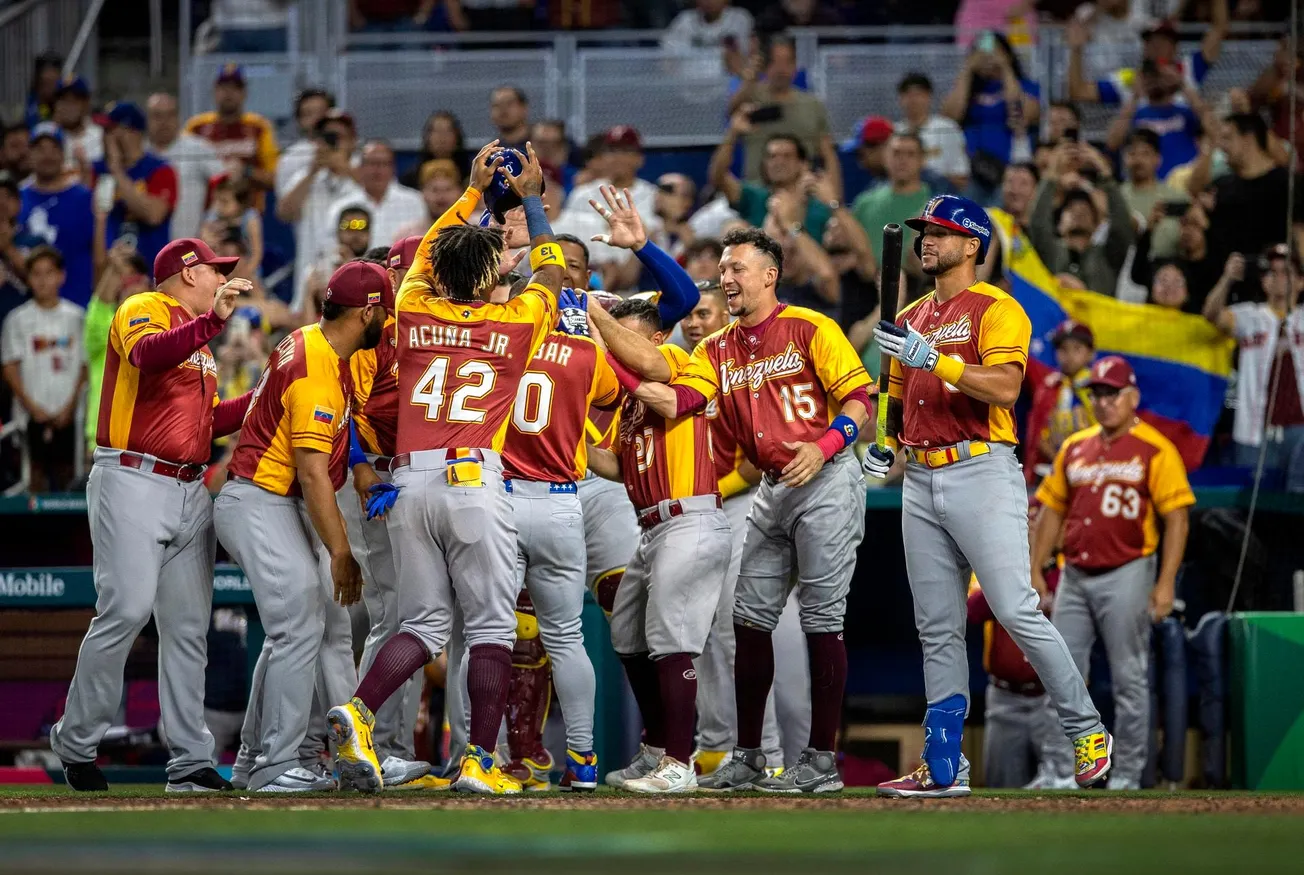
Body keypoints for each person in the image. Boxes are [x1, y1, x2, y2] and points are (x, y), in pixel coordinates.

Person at [594, 222, 872, 793]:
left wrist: (823, 448)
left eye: (736, 269)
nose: (726, 278)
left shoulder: (811, 325)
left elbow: (860, 401)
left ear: (770, 276)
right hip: (772, 487)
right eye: (723, 269)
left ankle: (821, 758)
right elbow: (674, 397)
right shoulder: (713, 348)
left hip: (825, 474)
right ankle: (748, 753)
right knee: (747, 621)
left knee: (822, 618)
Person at [325, 142, 564, 796]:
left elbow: (429, 252)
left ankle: (359, 709)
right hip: (472, 480)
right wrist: (533, 200)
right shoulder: (514, 321)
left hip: (409, 481)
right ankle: (479, 760)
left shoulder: (415, 309)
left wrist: (475, 192)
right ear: (487, 276)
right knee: (488, 627)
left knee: (421, 626)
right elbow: (551, 272)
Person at [863, 194, 1111, 797]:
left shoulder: (998, 307)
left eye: (941, 232)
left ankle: (1087, 728)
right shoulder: (913, 315)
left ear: (972, 244)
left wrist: (937, 360)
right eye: (923, 231)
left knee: (1015, 606)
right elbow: (893, 406)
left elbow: (1004, 388)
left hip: (982, 467)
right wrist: (883, 445)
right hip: (919, 477)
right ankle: (944, 763)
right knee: (938, 627)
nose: (927, 240)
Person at [48, 238, 253, 792]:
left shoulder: (202, 339)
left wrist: (262, 399)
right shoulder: (142, 307)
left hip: (189, 487)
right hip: (133, 476)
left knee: (188, 630)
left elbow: (208, 423)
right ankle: (75, 742)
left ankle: (189, 761)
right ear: (188, 272)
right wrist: (210, 322)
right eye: (215, 270)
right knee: (126, 610)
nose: (221, 278)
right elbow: (148, 355)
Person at [214, 260, 384, 792]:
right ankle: (273, 763)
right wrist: (340, 552)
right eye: (386, 311)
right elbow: (312, 475)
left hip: (266, 497)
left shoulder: (309, 338)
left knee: (293, 628)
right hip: (260, 497)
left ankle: (251, 759)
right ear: (368, 311)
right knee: (298, 627)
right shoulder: (318, 370)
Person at [578, 296, 730, 794]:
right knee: (626, 634)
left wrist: (600, 328)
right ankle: (659, 746)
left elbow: (671, 403)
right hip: (652, 527)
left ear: (656, 341)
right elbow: (619, 466)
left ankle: (680, 762)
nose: (617, 346)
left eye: (627, 338)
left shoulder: (684, 363)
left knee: (671, 639)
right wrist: (568, 438)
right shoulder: (631, 400)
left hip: (690, 517)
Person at [1032, 355, 1194, 790]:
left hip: (1128, 569)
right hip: (1075, 573)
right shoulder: (1075, 446)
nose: (1103, 402)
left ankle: (1127, 775)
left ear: (1133, 396)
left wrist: (1165, 583)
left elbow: (1177, 518)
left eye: (1111, 393)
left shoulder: (1155, 448)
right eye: (1097, 394)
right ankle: (1057, 770)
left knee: (1129, 677)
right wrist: (1034, 569)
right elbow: (1050, 512)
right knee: (1060, 672)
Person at [491, 252, 621, 792]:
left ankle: (486, 756)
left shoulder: (497, 337)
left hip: (500, 498)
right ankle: (585, 760)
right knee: (567, 638)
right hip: (562, 499)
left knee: (491, 635)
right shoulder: (586, 352)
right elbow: (612, 403)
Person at [676, 281, 812, 778]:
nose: (694, 322)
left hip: (740, 507)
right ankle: (714, 746)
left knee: (742, 631)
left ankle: (769, 755)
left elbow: (762, 458)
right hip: (697, 511)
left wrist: (717, 487)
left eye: (705, 313)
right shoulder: (684, 368)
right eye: (689, 314)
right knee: (701, 633)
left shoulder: (740, 368)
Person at [1204, 246, 1304, 488]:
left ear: (1301, 282)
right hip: (1254, 429)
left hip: (1301, 431)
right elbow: (1211, 314)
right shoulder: (1250, 315)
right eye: (1272, 272)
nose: (1278, 277)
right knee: (1255, 504)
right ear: (1263, 282)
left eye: (1286, 272)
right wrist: (1227, 278)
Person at [1192, 113, 1304, 303]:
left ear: (1249, 138)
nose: (1222, 146)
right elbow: (1193, 188)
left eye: (1227, 138)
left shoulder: (1287, 183)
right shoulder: (1222, 186)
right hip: (1231, 293)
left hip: (1276, 293)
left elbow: (1301, 235)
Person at [0, 246, 85, 491]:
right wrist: (33, 408)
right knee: (31, 481)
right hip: (29, 416)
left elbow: (84, 366)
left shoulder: (76, 317)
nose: (43, 280)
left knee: (68, 477)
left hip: (68, 414)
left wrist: (69, 408)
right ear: (28, 278)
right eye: (36, 274)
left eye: (49, 273)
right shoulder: (17, 320)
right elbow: (9, 367)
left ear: (61, 276)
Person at [276, 109, 363, 307]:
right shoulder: (307, 175)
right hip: (311, 279)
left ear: (351, 141)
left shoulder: (363, 171)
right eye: (327, 137)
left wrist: (345, 168)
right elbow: (284, 213)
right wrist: (312, 171)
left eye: (338, 137)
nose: (332, 143)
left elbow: (378, 199)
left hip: (354, 276)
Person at [941, 31, 1039, 201]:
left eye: (996, 52)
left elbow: (1024, 113)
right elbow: (949, 118)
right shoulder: (968, 89)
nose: (988, 58)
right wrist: (968, 68)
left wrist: (1005, 67)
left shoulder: (1025, 86)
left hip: (1008, 172)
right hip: (971, 173)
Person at [1028, 143, 1135, 296]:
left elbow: (1122, 226)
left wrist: (1106, 175)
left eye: (1086, 211)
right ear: (1058, 224)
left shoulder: (1108, 256)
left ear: (1097, 224)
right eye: (1071, 210)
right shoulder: (1049, 251)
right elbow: (1038, 224)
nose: (1079, 214)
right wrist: (1051, 176)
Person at [731, 34, 837, 189]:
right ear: (765, 65)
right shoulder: (750, 98)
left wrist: (835, 200)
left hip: (803, 193)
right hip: (758, 191)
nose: (781, 69)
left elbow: (828, 156)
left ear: (795, 66)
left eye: (787, 62)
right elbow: (731, 115)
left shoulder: (813, 104)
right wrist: (749, 79)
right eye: (775, 62)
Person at [711, 119, 833, 241]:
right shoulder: (754, 197)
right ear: (765, 164)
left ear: (802, 164)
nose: (778, 162)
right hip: (758, 259)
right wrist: (733, 133)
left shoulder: (819, 209)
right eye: (772, 156)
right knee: (734, 227)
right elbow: (719, 177)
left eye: (787, 156)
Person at [19, 124, 95, 306]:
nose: (47, 155)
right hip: (27, 309)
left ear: (63, 154)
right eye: (40, 149)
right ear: (29, 154)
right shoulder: (15, 198)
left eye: (54, 148)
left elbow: (100, 253)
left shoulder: (83, 198)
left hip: (77, 305)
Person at [184, 65, 279, 205]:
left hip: (249, 215)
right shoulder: (196, 127)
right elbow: (179, 173)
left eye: (235, 88)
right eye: (223, 87)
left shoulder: (259, 126)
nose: (229, 93)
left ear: (244, 93)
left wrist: (246, 171)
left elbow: (275, 179)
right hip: (205, 215)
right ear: (214, 91)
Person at [1024, 320, 1097, 486]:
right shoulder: (1048, 387)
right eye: (1063, 349)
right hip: (1049, 472)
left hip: (1090, 473)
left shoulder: (1099, 390)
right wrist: (1060, 460)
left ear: (1091, 353)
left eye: (1077, 349)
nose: (1069, 356)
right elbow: (1037, 435)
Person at [851, 133, 935, 269]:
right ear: (885, 158)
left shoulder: (935, 206)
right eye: (896, 153)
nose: (902, 160)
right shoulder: (864, 203)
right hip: (867, 284)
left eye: (910, 154)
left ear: (922, 160)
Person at [146, 93, 223, 240]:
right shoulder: (140, 152)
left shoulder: (198, 148)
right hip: (148, 246)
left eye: (170, 115)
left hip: (190, 246)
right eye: (157, 116)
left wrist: (211, 221)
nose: (164, 122)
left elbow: (226, 185)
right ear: (147, 119)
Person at [326, 141, 425, 254]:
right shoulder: (342, 206)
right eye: (372, 163)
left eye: (384, 163)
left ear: (393, 168)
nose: (378, 170)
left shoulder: (415, 202)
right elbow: (331, 249)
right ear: (361, 167)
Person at [1119, 129, 1186, 261]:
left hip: (1169, 267)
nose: (1138, 160)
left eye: (1145, 154)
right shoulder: (1115, 197)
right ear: (1124, 158)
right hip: (1124, 270)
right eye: (1132, 153)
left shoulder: (1177, 197)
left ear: (1158, 159)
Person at [896, 73, 969, 192]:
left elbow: (961, 176)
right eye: (908, 95)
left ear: (929, 97)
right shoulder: (895, 133)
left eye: (918, 94)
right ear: (900, 99)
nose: (913, 100)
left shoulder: (947, 129)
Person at [271, 89, 336, 204]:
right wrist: (312, 172)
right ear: (299, 121)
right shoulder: (289, 158)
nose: (316, 119)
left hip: (352, 222)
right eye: (308, 114)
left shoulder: (353, 151)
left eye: (321, 112)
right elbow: (285, 213)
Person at [402, 111, 471, 189]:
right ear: (427, 137)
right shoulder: (411, 178)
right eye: (437, 131)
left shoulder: (472, 175)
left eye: (447, 131)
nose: (442, 137)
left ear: (457, 137)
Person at [662, 0, 753, 56]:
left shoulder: (740, 18)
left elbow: (746, 53)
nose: (708, 1)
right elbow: (666, 53)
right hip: (688, 82)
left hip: (728, 82)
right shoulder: (684, 19)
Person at [52, 76, 103, 175]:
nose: (67, 107)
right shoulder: (47, 136)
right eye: (63, 101)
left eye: (73, 101)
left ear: (86, 104)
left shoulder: (101, 136)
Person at [25, 52, 63, 129]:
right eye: (45, 83)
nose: (49, 88)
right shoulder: (33, 104)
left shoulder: (64, 99)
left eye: (53, 82)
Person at [489, 87, 531, 154]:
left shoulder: (540, 146)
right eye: (497, 105)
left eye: (509, 103)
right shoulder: (490, 153)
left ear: (524, 108)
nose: (503, 109)